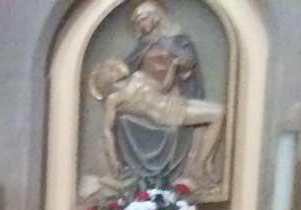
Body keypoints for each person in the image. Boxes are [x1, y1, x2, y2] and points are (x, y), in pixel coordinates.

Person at [90, 56, 226, 198]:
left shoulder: (138, 76)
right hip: (168, 115)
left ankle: (204, 163)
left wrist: (173, 67)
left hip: (175, 103)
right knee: (218, 114)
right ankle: (199, 166)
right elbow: (107, 130)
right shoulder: (114, 98)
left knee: (219, 111)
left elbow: (164, 88)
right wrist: (113, 159)